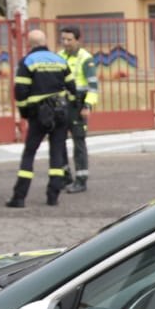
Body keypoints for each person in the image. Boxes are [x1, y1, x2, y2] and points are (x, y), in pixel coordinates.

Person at [6, 29, 73, 209]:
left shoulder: (28, 61)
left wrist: (24, 112)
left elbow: (20, 90)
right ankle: (53, 196)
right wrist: (70, 108)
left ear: (30, 44)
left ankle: (19, 197)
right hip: (60, 112)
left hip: (38, 114)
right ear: (45, 41)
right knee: (56, 153)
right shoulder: (60, 60)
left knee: (30, 153)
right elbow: (72, 87)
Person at [58, 27, 99, 194]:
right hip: (61, 105)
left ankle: (81, 179)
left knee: (78, 142)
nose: (66, 43)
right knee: (58, 141)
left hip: (78, 106)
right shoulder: (59, 57)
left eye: (69, 40)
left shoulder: (85, 58)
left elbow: (93, 86)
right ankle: (64, 176)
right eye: (64, 39)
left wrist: (87, 105)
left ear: (77, 40)